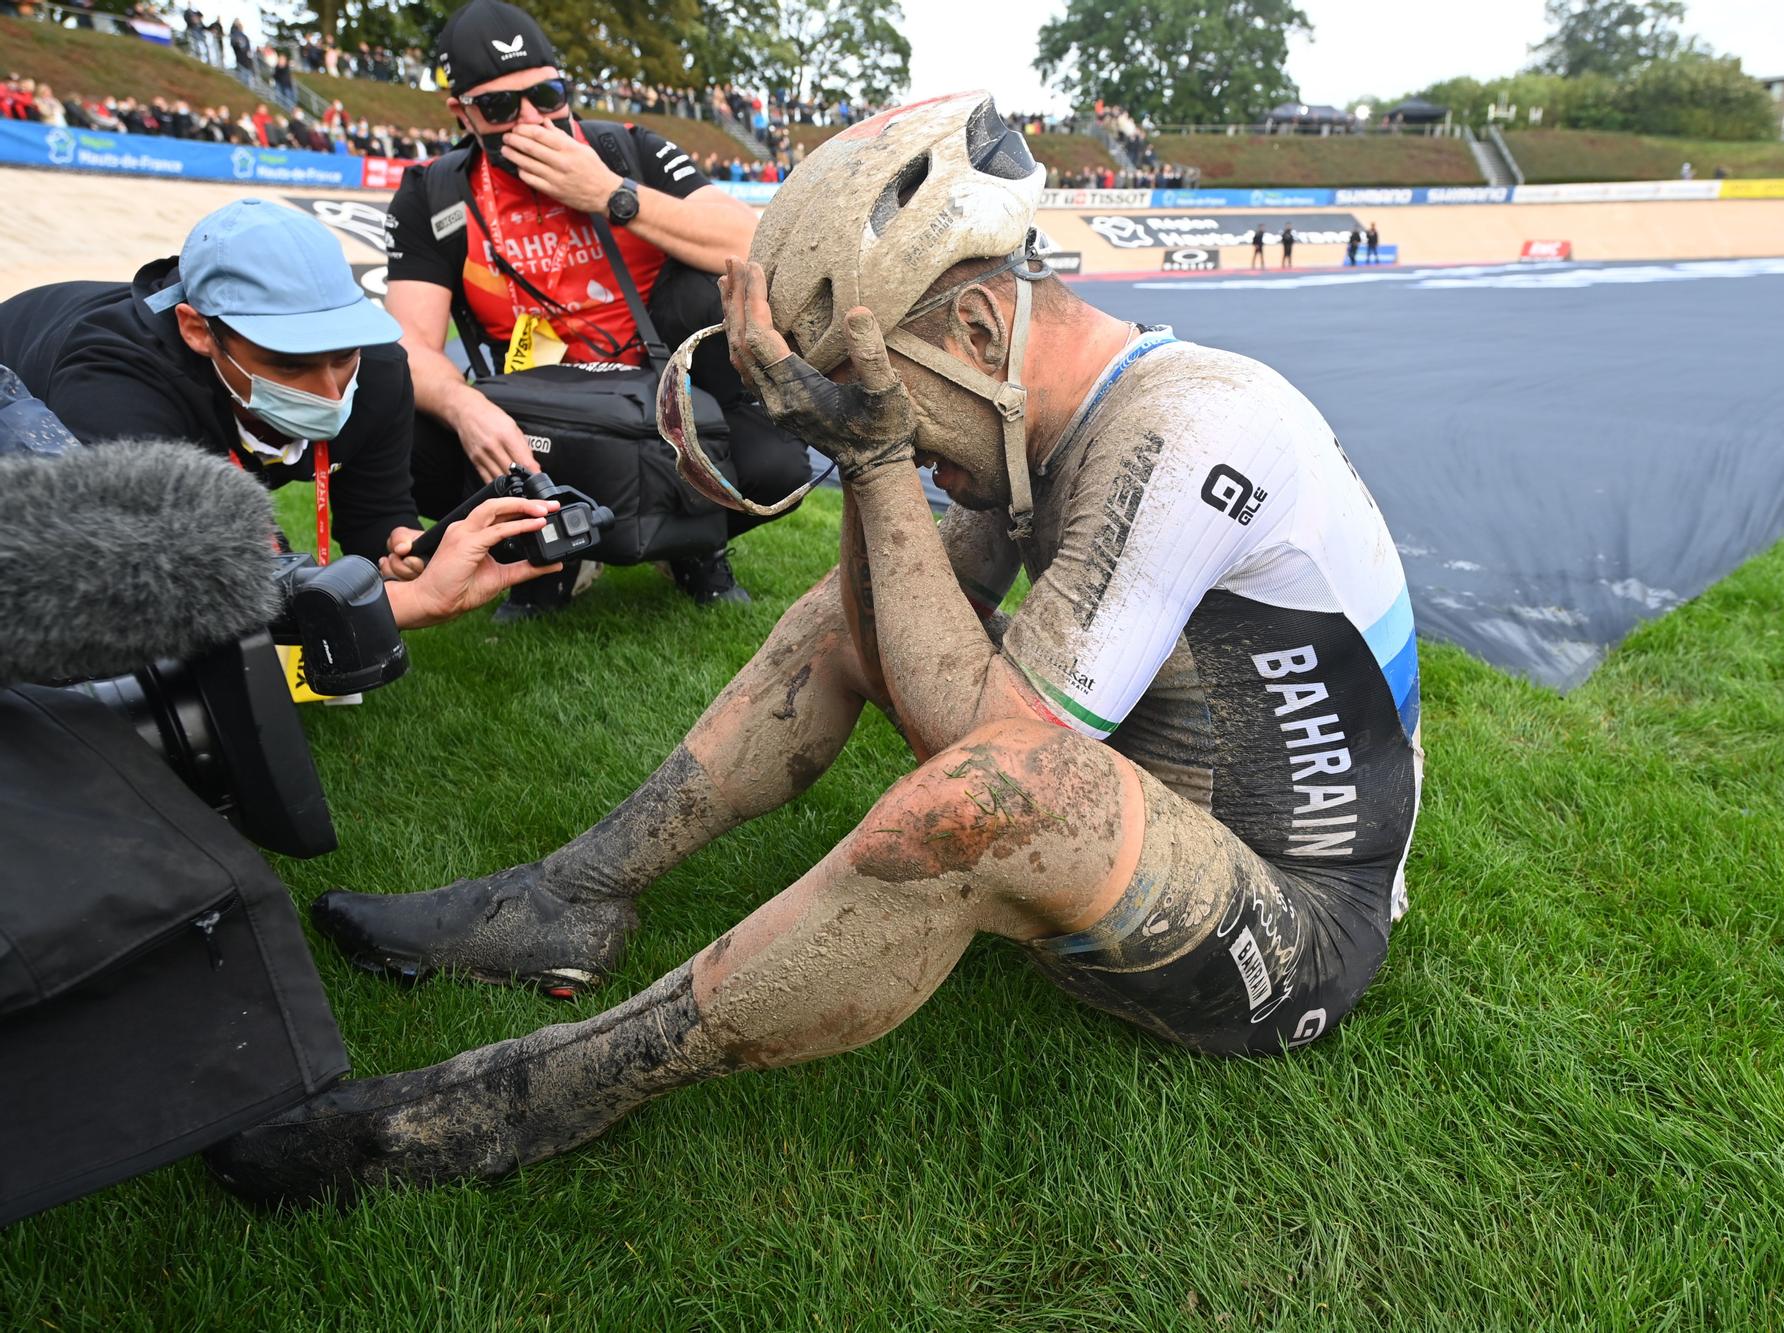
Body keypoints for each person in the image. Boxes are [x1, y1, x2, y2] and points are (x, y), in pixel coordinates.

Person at [206, 93, 1423, 1205]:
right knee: (837, 619)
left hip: (1289, 941)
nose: (870, 425)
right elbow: (895, 624)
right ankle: (568, 899)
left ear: (983, 323)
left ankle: (530, 1096)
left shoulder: (1187, 427)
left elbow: (992, 757)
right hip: (1147, 849)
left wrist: (878, 458)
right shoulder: (1036, 415)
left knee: (999, 791)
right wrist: (868, 461)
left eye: (867, 389)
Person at [384, 0, 809, 613]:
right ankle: (550, 556)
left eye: (549, 95)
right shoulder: (434, 193)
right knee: (396, 420)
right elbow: (408, 344)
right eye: (502, 107)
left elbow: (753, 246)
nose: (534, 120)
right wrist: (466, 407)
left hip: (656, 392)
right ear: (463, 114)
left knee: (779, 469)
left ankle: (688, 542)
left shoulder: (627, 151)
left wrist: (612, 194)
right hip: (543, 410)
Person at [0, 199, 556, 631]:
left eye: (343, 356)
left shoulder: (382, 368)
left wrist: (404, 551)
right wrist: (410, 603)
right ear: (199, 330)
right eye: (289, 365)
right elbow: (161, 578)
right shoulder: (114, 379)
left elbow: (377, 517)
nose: (331, 391)